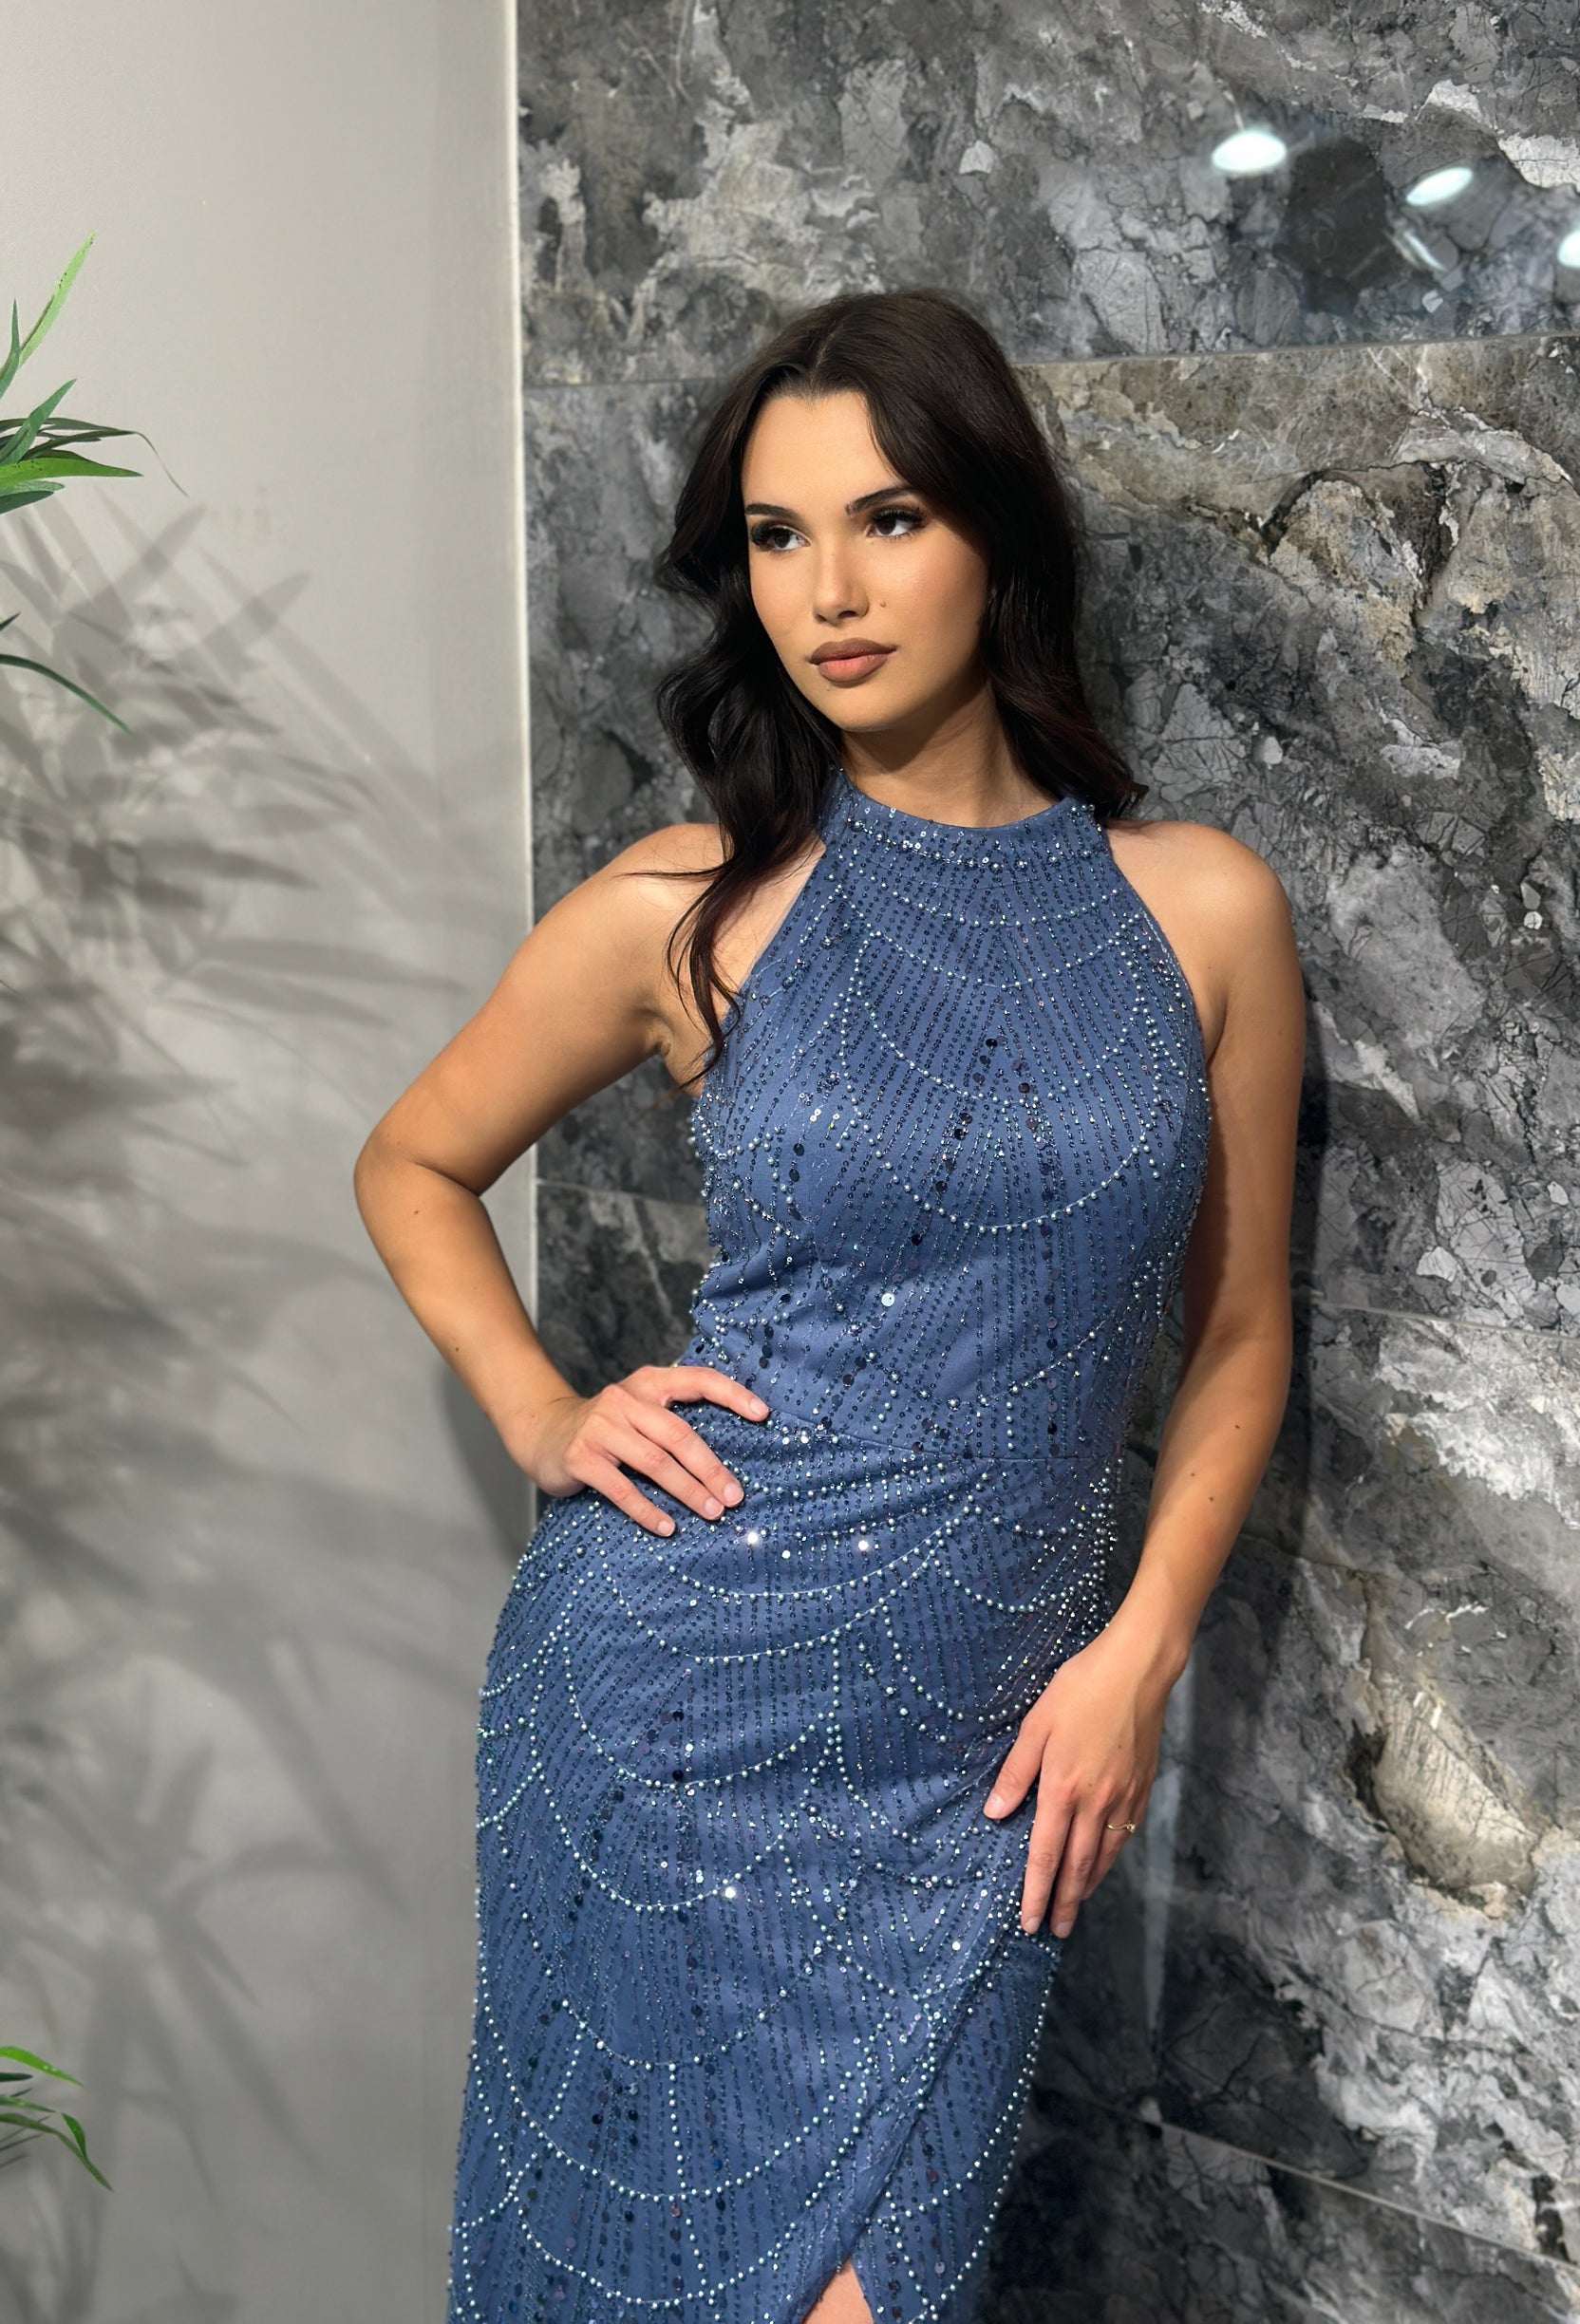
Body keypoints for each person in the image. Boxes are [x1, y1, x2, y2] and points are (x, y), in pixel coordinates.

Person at [354, 285, 1304, 2324]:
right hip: (671, 1712)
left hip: (990, 1756)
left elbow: (1238, 1337)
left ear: (998, 535)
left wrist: (1141, 1652)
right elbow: (410, 1162)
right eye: (777, 537)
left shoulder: (1203, 907)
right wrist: (543, 1414)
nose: (829, 592)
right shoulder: (690, 906)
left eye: (887, 520)